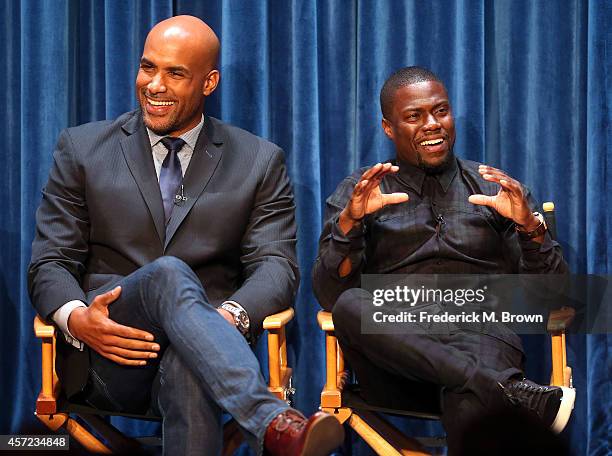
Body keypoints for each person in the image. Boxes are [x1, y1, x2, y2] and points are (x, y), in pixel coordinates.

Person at [28, 15, 343, 456]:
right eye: (147, 67)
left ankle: (267, 418)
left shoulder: (258, 160)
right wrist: (78, 319)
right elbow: (49, 261)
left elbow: (276, 266)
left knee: (190, 360)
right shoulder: (82, 149)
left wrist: (229, 316)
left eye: (175, 73)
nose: (154, 85)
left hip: (209, 358)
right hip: (111, 357)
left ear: (209, 82)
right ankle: (273, 422)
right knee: (168, 274)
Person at [312, 66, 575, 453]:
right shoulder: (362, 191)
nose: (432, 125)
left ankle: (486, 381)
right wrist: (350, 224)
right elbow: (329, 296)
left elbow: (552, 299)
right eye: (414, 116)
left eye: (441, 111)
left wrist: (529, 228)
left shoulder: (493, 188)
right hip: (397, 364)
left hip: (481, 336)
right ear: (389, 127)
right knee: (353, 304)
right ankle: (506, 388)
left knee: (469, 389)